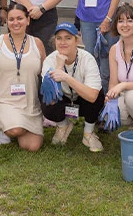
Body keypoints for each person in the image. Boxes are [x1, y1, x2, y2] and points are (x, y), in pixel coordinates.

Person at [0, 2, 46, 152]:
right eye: (11, 19)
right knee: (15, 130)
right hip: (3, 100)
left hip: (29, 103)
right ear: (7, 22)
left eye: (20, 18)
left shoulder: (37, 44)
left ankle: (20, 123)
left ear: (28, 20)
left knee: (32, 146)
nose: (15, 23)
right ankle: (4, 126)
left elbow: (46, 73)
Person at [41, 22, 105, 152]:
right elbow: (51, 97)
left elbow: (92, 96)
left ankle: (88, 133)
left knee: (97, 94)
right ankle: (63, 126)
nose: (63, 42)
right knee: (45, 95)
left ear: (76, 40)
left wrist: (66, 77)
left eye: (68, 38)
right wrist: (59, 66)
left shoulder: (87, 58)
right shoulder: (50, 60)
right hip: (63, 99)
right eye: (59, 38)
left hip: (83, 100)